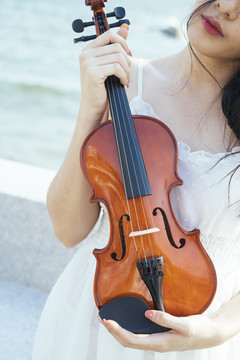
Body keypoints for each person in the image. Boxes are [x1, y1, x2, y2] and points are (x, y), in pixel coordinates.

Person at [32, 0, 240, 359]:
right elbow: (67, 230)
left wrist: (212, 332)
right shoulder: (127, 85)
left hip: (202, 337)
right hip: (101, 316)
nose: (226, 7)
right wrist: (91, 111)